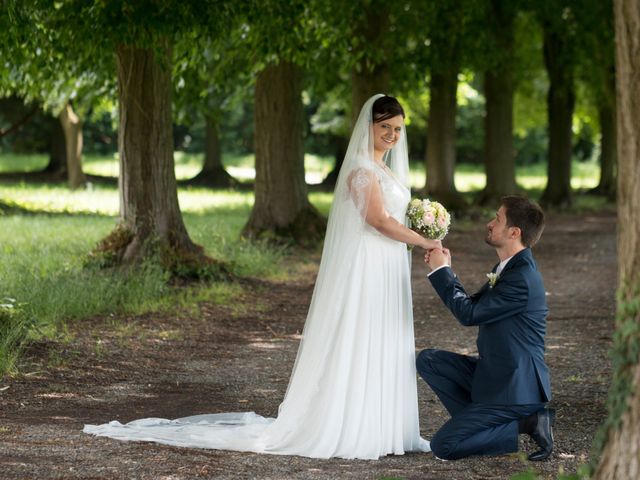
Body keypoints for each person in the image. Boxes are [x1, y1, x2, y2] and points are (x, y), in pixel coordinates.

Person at [84, 94, 440, 460]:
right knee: (362, 336)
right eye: (386, 127)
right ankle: (357, 427)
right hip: (368, 265)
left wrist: (423, 229)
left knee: (384, 336)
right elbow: (378, 221)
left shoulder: (387, 171)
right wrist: (424, 238)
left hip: (387, 264)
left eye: (397, 129)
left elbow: (393, 218)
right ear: (369, 127)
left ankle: (387, 427)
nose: (393, 135)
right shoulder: (362, 172)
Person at [417, 196, 554, 461]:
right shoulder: (508, 268)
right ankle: (482, 425)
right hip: (494, 375)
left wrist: (440, 271)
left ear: (514, 232)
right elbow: (473, 305)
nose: (490, 224)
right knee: (429, 360)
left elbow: (468, 314)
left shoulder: (521, 278)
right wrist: (447, 270)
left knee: (444, 446)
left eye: (498, 219)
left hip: (515, 387)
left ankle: (527, 422)